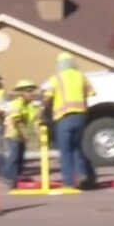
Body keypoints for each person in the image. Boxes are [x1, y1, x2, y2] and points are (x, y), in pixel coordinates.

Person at [42, 52, 96, 188]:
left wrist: (45, 109)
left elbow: (47, 98)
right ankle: (83, 174)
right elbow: (91, 93)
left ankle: (69, 181)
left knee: (65, 150)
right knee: (77, 147)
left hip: (63, 117)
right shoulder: (81, 76)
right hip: (81, 116)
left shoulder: (56, 78)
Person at [1, 80, 39, 188]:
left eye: (32, 91)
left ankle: (17, 177)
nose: (31, 93)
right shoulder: (18, 103)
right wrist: (24, 134)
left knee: (21, 156)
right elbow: (17, 120)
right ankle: (8, 177)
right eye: (28, 91)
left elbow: (35, 120)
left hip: (21, 134)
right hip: (13, 133)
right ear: (21, 92)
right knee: (14, 156)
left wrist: (39, 135)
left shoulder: (30, 105)